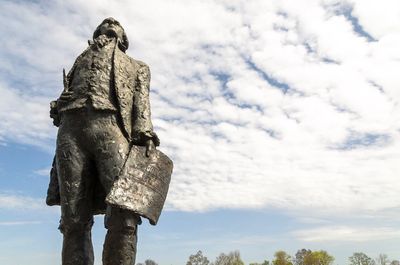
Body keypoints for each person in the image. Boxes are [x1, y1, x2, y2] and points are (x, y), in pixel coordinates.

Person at [47, 17, 160, 265]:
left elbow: (141, 104)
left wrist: (146, 134)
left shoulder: (137, 66)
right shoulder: (80, 60)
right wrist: (58, 105)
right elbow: (57, 110)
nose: (108, 28)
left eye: (114, 28)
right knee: (73, 219)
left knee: (125, 212)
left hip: (111, 129)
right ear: (96, 35)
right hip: (71, 132)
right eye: (104, 28)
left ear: (122, 40)